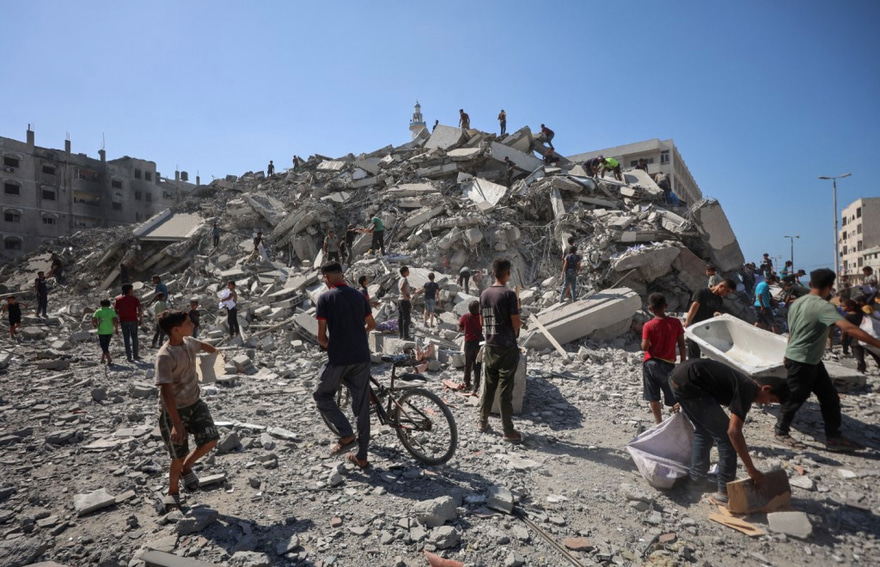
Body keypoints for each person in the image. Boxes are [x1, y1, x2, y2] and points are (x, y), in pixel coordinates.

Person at [774, 268, 880, 451]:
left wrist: (787, 351)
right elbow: (848, 328)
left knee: (829, 397)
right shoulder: (824, 307)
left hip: (809, 359)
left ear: (810, 284)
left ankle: (833, 437)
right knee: (795, 397)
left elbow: (793, 330)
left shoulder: (797, 303)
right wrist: (877, 343)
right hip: (803, 360)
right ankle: (781, 431)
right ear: (830, 286)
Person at [670, 359, 790, 502]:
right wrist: (752, 470)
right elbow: (733, 432)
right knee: (727, 438)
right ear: (766, 389)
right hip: (689, 384)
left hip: (678, 379)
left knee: (704, 431)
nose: (767, 404)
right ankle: (725, 491)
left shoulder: (745, 384)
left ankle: (696, 481)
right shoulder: (747, 390)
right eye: (771, 400)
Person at [155, 309, 221, 512]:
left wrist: (216, 354)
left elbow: (203, 345)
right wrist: (176, 424)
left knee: (210, 439)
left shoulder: (189, 342)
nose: (193, 324)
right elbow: (166, 392)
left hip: (195, 402)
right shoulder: (165, 356)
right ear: (176, 329)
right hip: (174, 411)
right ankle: (172, 492)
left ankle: (187, 467)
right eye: (187, 323)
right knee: (178, 454)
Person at [314, 261, 376, 470]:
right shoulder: (359, 296)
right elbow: (371, 324)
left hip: (340, 358)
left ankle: (346, 435)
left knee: (321, 395)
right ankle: (362, 457)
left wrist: (328, 345)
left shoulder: (325, 298)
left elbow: (321, 337)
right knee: (362, 407)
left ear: (326, 277)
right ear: (341, 274)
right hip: (362, 356)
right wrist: (357, 334)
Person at [479, 258, 523, 443]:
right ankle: (508, 431)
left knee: (489, 387)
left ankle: (482, 422)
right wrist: (517, 311)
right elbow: (516, 323)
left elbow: (482, 321)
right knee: (505, 391)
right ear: (507, 273)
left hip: (490, 345)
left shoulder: (484, 294)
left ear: (493, 272)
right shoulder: (509, 294)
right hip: (506, 348)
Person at [641, 293, 686, 424]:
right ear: (666, 306)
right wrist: (683, 362)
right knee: (674, 395)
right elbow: (682, 345)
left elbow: (644, 347)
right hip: (668, 364)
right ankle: (678, 421)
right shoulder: (676, 323)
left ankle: (659, 423)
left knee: (653, 396)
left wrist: (646, 341)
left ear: (650, 308)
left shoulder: (648, 325)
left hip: (650, 363)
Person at [683, 279, 736, 359]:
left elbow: (715, 312)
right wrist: (688, 322)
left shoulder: (719, 300)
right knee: (694, 349)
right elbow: (694, 307)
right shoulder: (702, 292)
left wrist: (717, 314)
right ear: (721, 286)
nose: (727, 294)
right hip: (695, 325)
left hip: (706, 329)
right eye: (727, 291)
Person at [842, 299, 880, 373]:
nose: (842, 308)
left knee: (859, 357)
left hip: (855, 339)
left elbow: (845, 329)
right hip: (865, 337)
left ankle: (861, 371)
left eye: (844, 306)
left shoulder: (848, 317)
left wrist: (843, 338)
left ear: (851, 306)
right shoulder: (861, 313)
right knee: (874, 354)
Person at [458, 300, 483, 393]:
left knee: (467, 364)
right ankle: (476, 385)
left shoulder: (465, 317)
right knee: (477, 365)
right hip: (478, 343)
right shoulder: (481, 317)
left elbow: (460, 329)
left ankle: (467, 383)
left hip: (468, 343)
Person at [115, 284, 143, 362]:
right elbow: (140, 310)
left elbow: (116, 310)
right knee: (134, 337)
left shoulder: (119, 299)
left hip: (123, 320)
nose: (133, 290)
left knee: (126, 338)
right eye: (132, 289)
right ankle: (136, 355)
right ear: (130, 290)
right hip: (133, 320)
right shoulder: (135, 299)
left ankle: (129, 356)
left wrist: (121, 314)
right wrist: (140, 319)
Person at [92, 299, 119, 365]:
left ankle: (108, 358)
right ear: (109, 304)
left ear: (101, 304)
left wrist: (95, 325)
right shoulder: (111, 311)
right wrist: (116, 329)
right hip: (109, 330)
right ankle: (102, 359)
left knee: (103, 345)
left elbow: (94, 319)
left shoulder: (98, 311)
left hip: (101, 331)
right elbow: (115, 321)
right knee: (106, 345)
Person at [398, 266, 413, 341]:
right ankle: (405, 336)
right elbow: (402, 288)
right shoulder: (404, 279)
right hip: (404, 301)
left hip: (400, 300)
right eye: (407, 271)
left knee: (401, 318)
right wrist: (406, 297)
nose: (409, 272)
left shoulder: (400, 279)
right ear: (404, 272)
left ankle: (401, 335)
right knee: (406, 318)